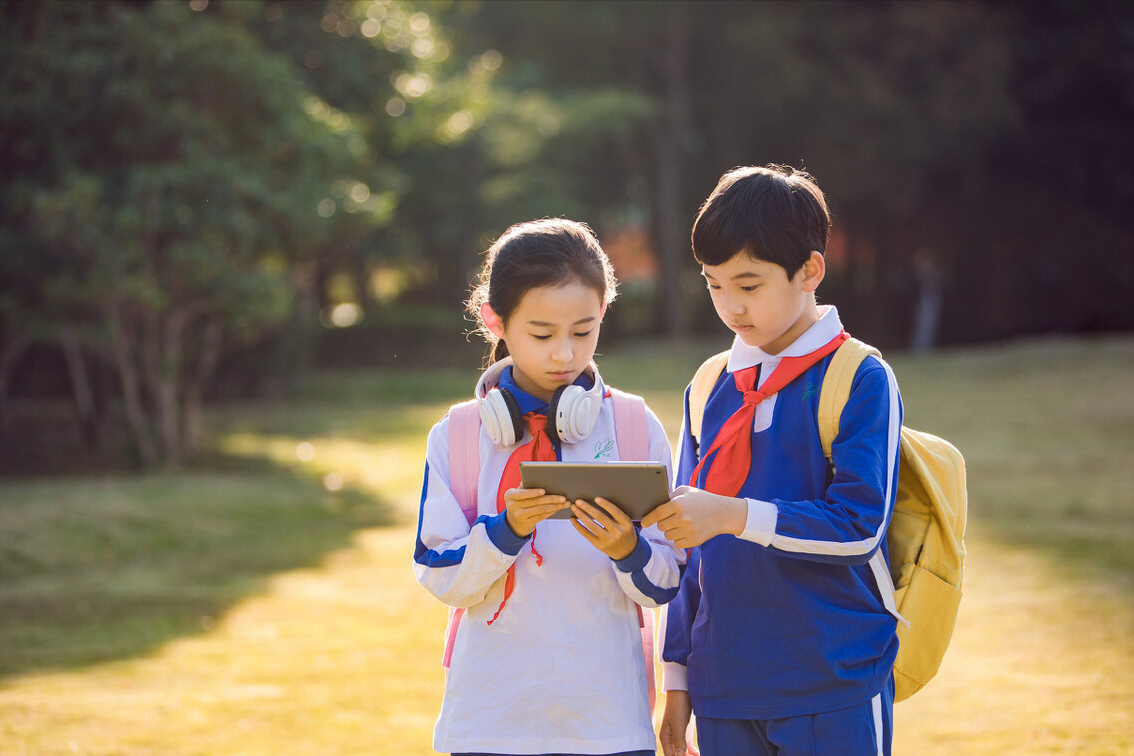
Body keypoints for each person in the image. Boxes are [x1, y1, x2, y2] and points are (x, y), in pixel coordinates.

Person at [641, 165, 904, 756]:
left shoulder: (858, 376)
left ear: (810, 270)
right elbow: (683, 543)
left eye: (749, 285)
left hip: (830, 682)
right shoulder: (710, 384)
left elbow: (860, 528)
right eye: (714, 285)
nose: (730, 306)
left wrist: (734, 516)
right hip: (723, 686)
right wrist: (678, 678)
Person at [414, 217, 685, 756]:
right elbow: (440, 575)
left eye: (583, 331)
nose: (565, 354)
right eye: (542, 334)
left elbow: (668, 581)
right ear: (495, 320)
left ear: (604, 310)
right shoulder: (459, 435)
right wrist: (506, 531)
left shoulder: (633, 426)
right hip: (491, 722)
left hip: (607, 723)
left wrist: (628, 550)